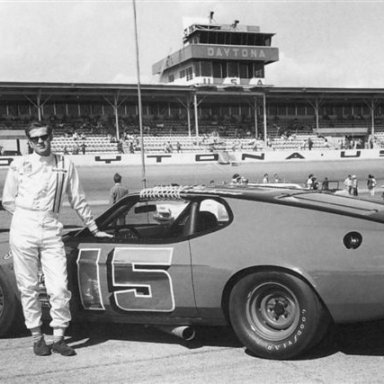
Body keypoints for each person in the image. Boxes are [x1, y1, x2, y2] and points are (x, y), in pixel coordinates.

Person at [1, 122, 112, 357]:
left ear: (51, 137)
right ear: (29, 142)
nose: (41, 142)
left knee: (59, 287)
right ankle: (37, 337)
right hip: (23, 228)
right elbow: (8, 199)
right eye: (35, 139)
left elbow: (77, 198)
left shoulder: (65, 163)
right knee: (28, 286)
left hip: (51, 227)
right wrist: (26, 217)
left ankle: (59, 336)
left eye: (44, 137)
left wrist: (93, 227)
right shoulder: (19, 164)